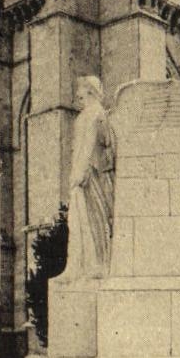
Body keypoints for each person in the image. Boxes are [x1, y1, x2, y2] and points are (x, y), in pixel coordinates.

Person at [66, 75, 115, 279]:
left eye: (81, 90)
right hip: (80, 175)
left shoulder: (97, 114)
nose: (77, 95)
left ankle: (96, 264)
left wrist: (82, 170)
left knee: (93, 219)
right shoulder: (83, 116)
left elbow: (94, 144)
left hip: (91, 175)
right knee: (76, 222)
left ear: (90, 92)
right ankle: (76, 266)